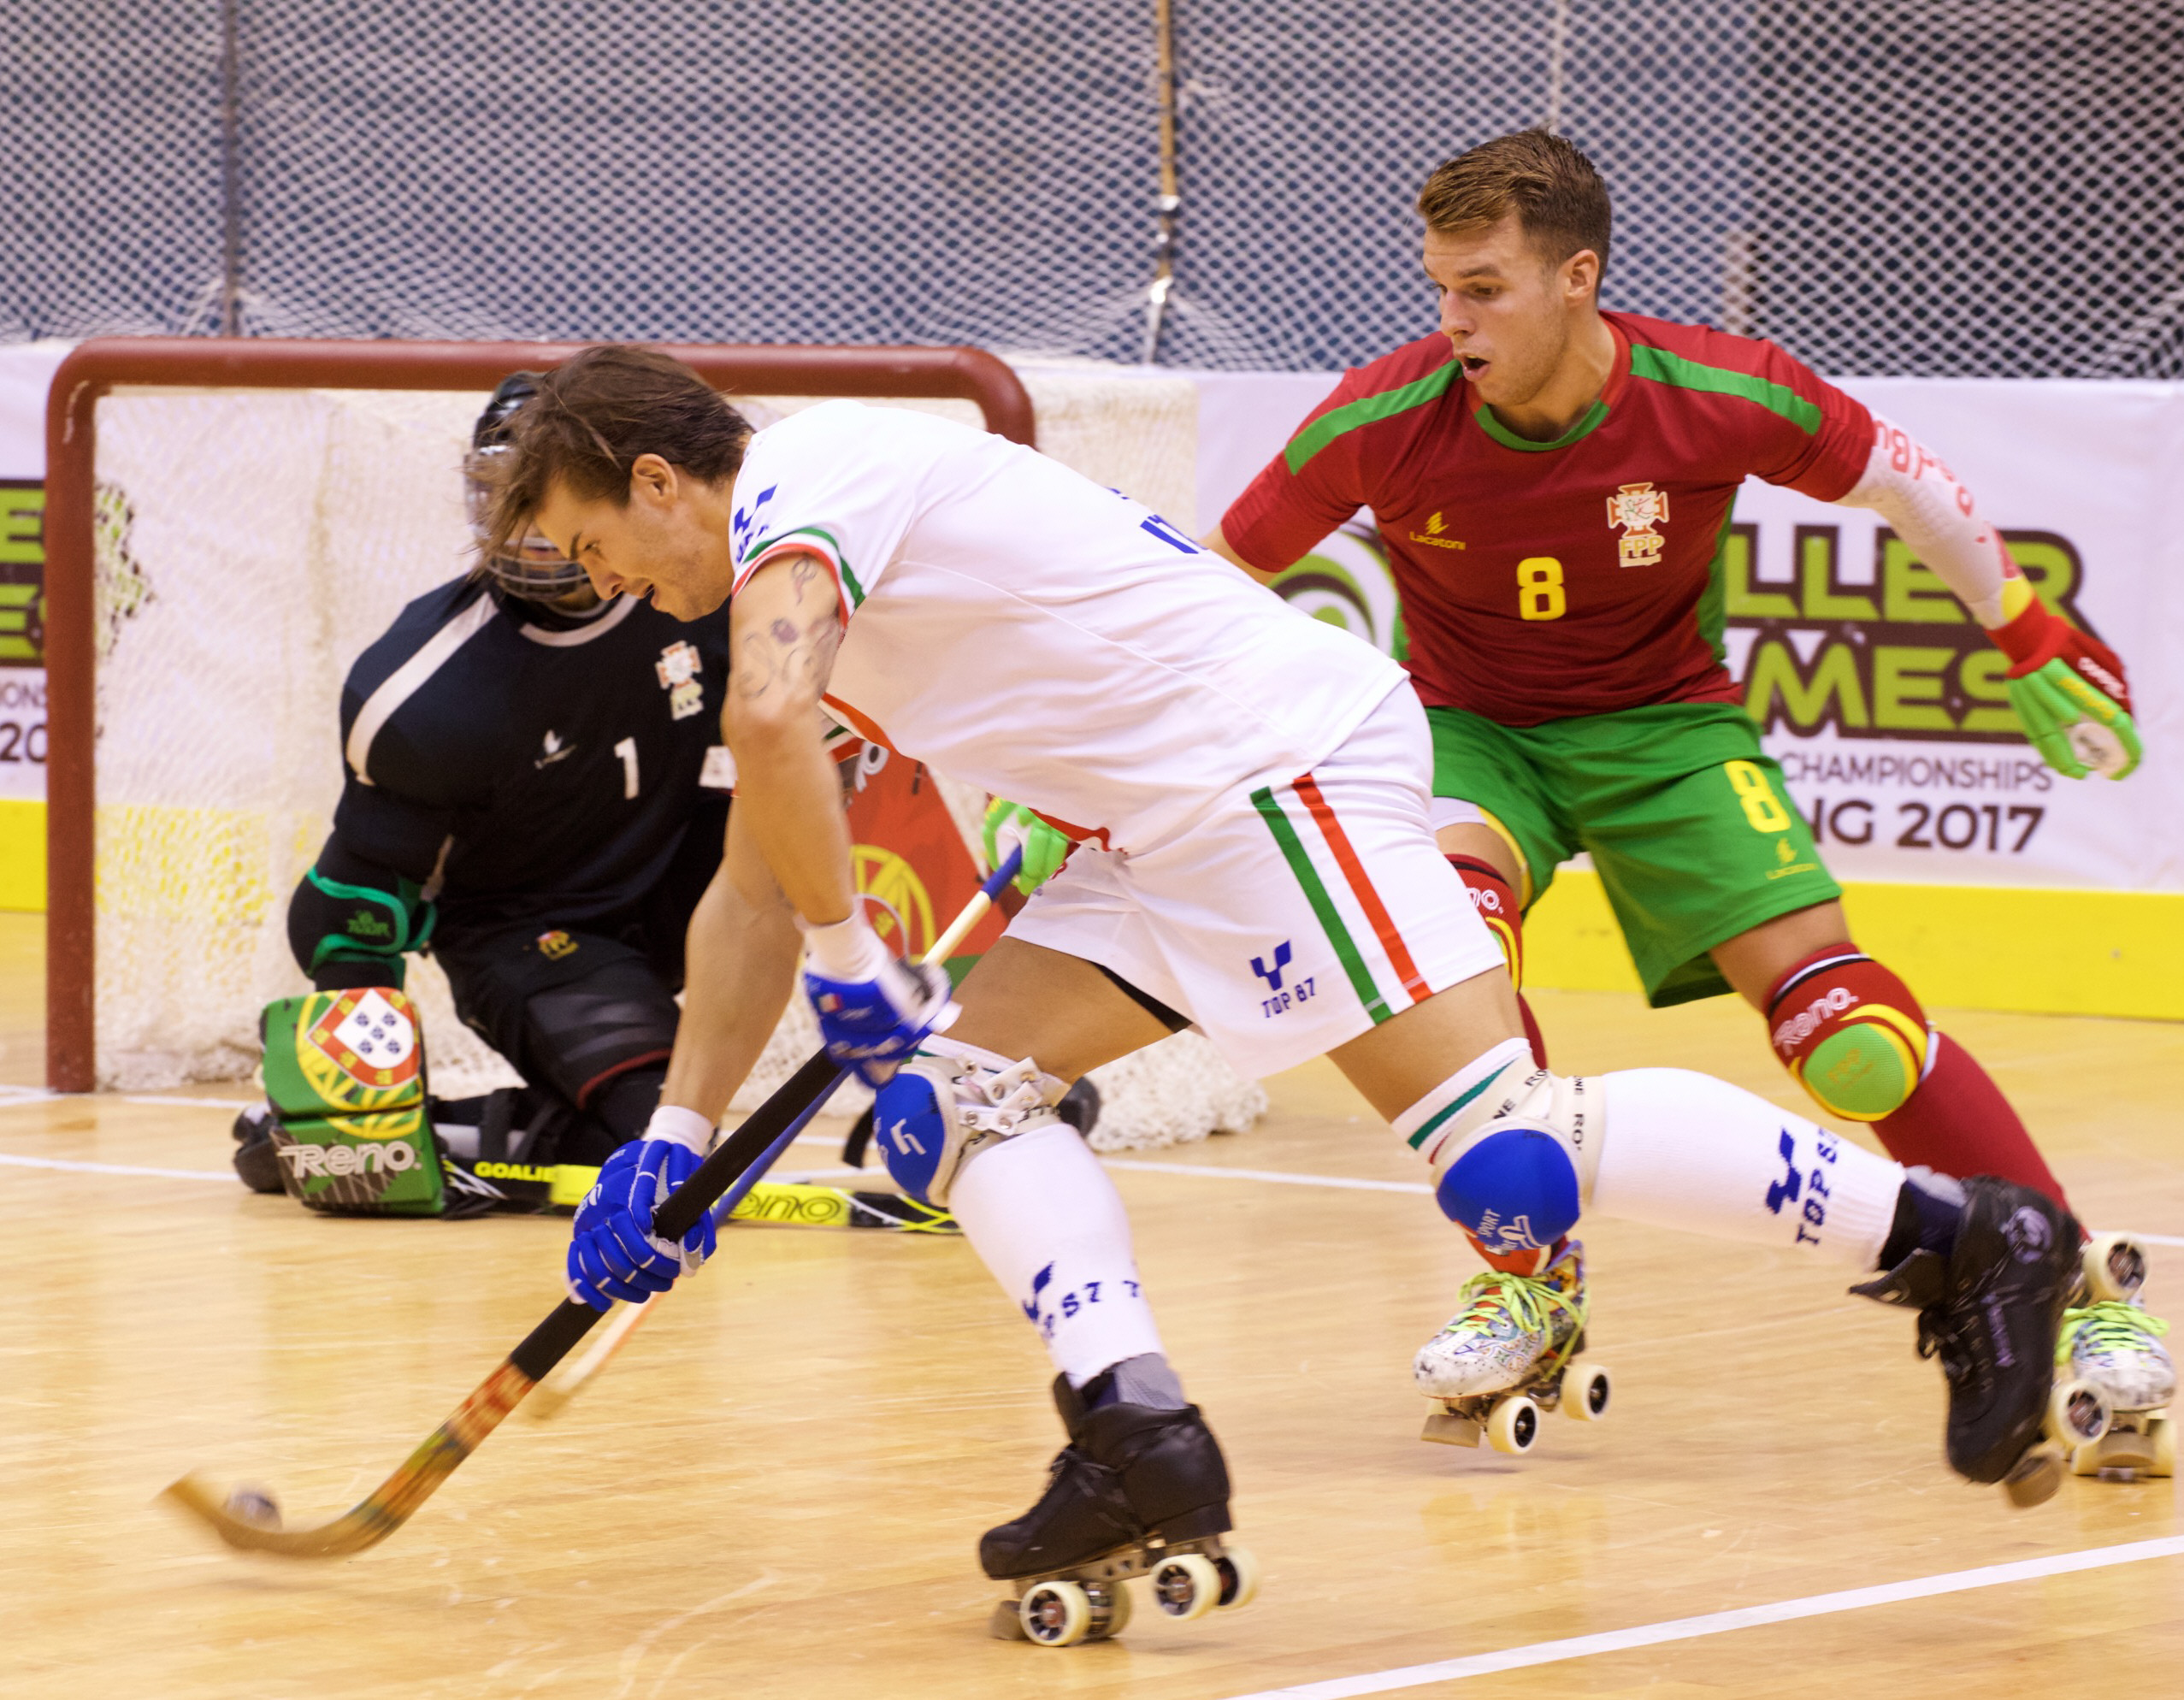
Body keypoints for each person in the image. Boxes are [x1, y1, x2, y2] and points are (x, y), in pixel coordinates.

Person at [485, 347, 2087, 1640]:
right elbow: (753, 878)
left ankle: (1963, 1238)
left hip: (1268, 770)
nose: (609, 583)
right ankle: (1133, 1430)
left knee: (1505, 1151)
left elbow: (772, 733)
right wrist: (671, 1138)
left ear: (657, 479)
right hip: (1157, 822)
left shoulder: (807, 484)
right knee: (947, 1107)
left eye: (599, 545)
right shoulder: (786, 583)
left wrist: (852, 966)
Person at [1204, 130, 2169, 1449]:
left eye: (1482, 289)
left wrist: (2020, 625)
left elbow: (1903, 481)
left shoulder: (1716, 391)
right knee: (1453, 976)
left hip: (1665, 727)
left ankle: (2068, 1281)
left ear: (1576, 278)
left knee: (1849, 1030)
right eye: (1438, 288)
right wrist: (1095, 760)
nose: (1452, 321)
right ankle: (1529, 1284)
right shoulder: (1381, 418)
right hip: (1465, 734)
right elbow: (1206, 583)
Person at [237, 376, 947, 1233]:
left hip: (680, 890)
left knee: (797, 815)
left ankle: (951, 1049)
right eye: (511, 503)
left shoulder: (707, 589)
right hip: (531, 936)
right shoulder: (421, 692)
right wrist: (358, 1107)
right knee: (657, 1134)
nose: (536, 534)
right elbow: (352, 904)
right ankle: (371, 1129)